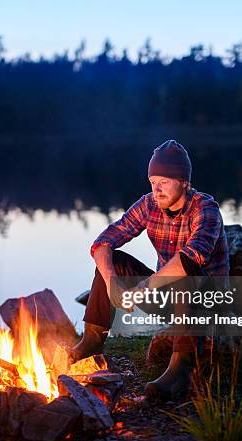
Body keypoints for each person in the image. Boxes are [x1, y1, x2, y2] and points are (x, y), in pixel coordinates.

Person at [70, 139, 230, 398]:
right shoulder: (149, 204)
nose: (157, 189)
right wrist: (112, 282)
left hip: (206, 303)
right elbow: (103, 242)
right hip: (170, 298)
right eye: (153, 181)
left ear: (184, 182)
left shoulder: (205, 208)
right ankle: (91, 343)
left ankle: (181, 371)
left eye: (164, 181)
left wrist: (144, 288)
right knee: (114, 260)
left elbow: (192, 258)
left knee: (185, 274)